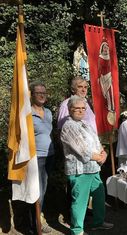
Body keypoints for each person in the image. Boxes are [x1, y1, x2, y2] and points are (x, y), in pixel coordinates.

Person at [60, 95, 113, 235]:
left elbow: (96, 141)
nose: (81, 111)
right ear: (70, 109)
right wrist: (98, 157)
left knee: (99, 195)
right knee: (80, 201)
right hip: (80, 170)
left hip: (94, 168)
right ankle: (77, 230)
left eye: (83, 108)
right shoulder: (68, 126)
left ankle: (98, 222)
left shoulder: (86, 124)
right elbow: (82, 150)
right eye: (77, 108)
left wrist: (104, 153)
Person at [29, 82, 54, 233]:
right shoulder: (27, 114)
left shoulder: (49, 112)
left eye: (43, 92)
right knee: (37, 192)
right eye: (38, 92)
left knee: (43, 190)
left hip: (50, 156)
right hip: (36, 158)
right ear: (32, 95)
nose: (41, 95)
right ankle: (35, 226)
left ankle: (38, 220)